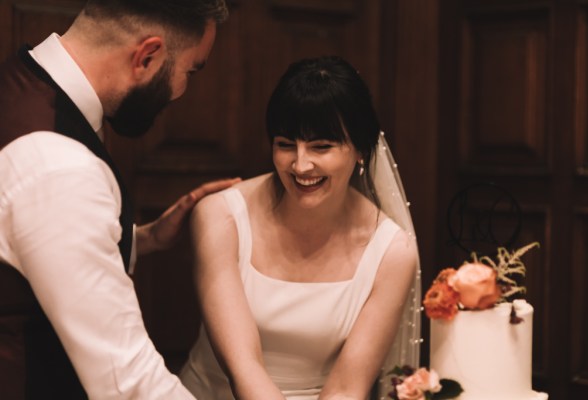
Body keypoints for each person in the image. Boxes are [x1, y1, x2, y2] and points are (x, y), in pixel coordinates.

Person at [0, 0, 238, 398]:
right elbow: (127, 381)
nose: (182, 91)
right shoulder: (59, 168)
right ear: (147, 55)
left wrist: (141, 238)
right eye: (190, 71)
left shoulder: (21, 79)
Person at [179, 56, 422, 399]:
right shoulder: (220, 217)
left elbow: (347, 387)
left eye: (321, 146)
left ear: (360, 151)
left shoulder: (391, 251)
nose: (300, 164)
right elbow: (243, 367)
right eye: (286, 144)